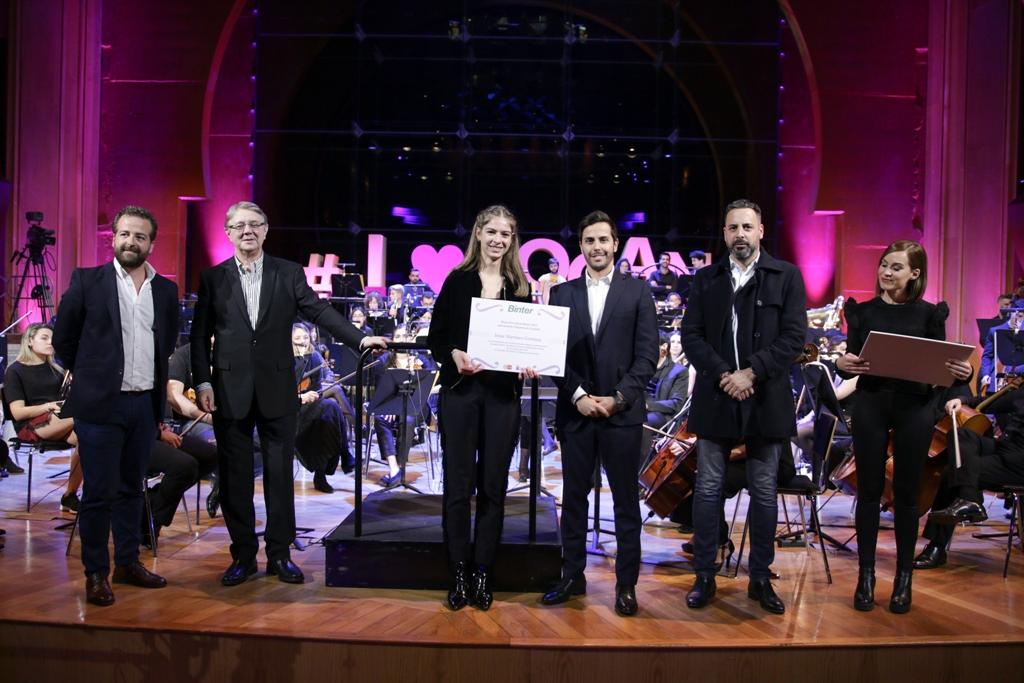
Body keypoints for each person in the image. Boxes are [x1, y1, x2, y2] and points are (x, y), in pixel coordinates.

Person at [191, 201, 386, 588]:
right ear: (228, 233)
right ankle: (243, 555)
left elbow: (320, 312)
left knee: (280, 475)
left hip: (278, 390)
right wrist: (203, 382)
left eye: (255, 224)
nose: (248, 231)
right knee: (235, 478)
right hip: (230, 391)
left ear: (266, 230)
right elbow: (199, 336)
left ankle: (279, 555)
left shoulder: (288, 272)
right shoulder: (213, 277)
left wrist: (361, 339)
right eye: (239, 225)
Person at [680, 198, 807, 615]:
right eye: (733, 228)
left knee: (765, 493)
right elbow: (692, 335)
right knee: (709, 489)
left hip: (765, 399)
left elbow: (793, 337)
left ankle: (760, 578)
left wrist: (751, 373)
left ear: (760, 231)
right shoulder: (706, 280)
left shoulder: (786, 276)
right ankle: (704, 575)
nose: (740, 235)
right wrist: (723, 375)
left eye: (747, 228)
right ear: (724, 234)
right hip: (717, 397)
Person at [53, 205, 180, 607]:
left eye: (140, 236)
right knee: (98, 494)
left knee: (132, 489)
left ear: (151, 243)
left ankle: (127, 563)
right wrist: (92, 376)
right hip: (100, 408)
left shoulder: (165, 289)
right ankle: (96, 573)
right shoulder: (88, 281)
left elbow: (167, 344)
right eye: (125, 234)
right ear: (114, 237)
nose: (131, 241)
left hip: (143, 406)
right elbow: (63, 340)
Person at [836, 239, 972, 613]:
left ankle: (903, 579)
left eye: (895, 267)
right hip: (871, 404)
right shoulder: (861, 312)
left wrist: (966, 372)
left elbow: (947, 367)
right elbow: (851, 358)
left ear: (915, 273)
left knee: (908, 495)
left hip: (915, 407)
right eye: (883, 264)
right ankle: (866, 577)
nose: (886, 272)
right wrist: (842, 366)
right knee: (868, 491)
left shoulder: (930, 315)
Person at [540, 210, 658, 617]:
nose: (596, 248)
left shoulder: (638, 292)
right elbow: (553, 358)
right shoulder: (561, 294)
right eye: (589, 241)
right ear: (581, 247)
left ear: (616, 245)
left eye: (603, 240)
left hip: (621, 416)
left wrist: (617, 398)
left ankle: (626, 585)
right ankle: (572, 576)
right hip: (577, 414)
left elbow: (648, 357)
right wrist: (578, 396)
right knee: (573, 499)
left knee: (625, 503)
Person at [427, 204, 537, 611]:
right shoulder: (457, 281)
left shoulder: (520, 287)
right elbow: (435, 338)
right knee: (457, 487)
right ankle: (457, 571)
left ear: (512, 241)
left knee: (493, 487)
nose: (498, 240)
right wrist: (453, 353)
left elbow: (531, 344)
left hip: (502, 399)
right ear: (477, 233)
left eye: (506, 234)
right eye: (491, 231)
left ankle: (482, 572)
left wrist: (531, 363)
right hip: (460, 393)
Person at [914, 385, 1024, 569]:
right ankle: (969, 499)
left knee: (952, 472)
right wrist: (962, 401)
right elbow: (989, 402)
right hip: (1007, 448)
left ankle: (936, 547)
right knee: (962, 435)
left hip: (1019, 463)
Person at [3, 324, 76, 498]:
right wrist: (47, 406)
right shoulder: (14, 371)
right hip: (31, 425)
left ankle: (71, 495)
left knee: (91, 438)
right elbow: (18, 413)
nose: (50, 342)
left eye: (52, 338)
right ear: (29, 341)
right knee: (89, 417)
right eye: (44, 338)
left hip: (59, 419)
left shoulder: (56, 370)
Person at [291, 322, 353, 494]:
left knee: (328, 417)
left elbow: (317, 387)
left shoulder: (315, 356)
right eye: (297, 338)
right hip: (291, 411)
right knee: (331, 408)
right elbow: (278, 393)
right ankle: (345, 454)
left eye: (305, 337)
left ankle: (321, 474)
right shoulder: (284, 358)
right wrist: (300, 397)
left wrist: (313, 396)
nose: (302, 341)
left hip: (311, 408)